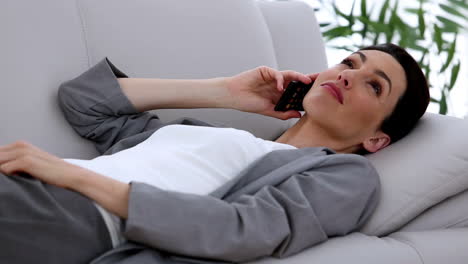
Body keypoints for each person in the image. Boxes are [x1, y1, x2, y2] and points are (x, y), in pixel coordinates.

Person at [0, 43, 429, 264]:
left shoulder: (347, 176)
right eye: (350, 63)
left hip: (84, 218)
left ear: (377, 139)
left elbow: (236, 230)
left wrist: (72, 177)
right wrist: (223, 93)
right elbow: (84, 101)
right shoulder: (210, 137)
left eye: (375, 85)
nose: (349, 76)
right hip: (38, 185)